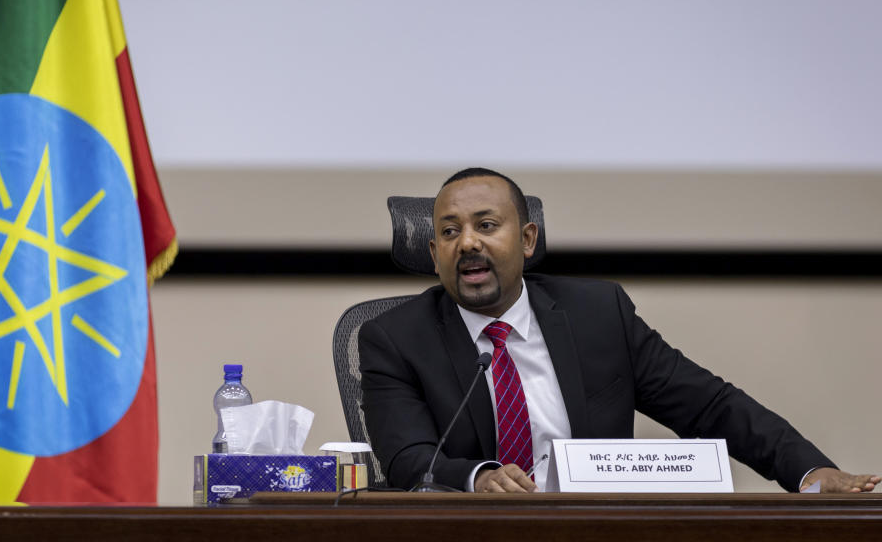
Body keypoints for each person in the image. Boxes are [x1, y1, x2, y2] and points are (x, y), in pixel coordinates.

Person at [358, 167, 879, 494]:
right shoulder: (396, 338)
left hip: (596, 531)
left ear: (528, 239)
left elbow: (710, 406)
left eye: (486, 226)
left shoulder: (596, 313)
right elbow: (408, 459)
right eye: (449, 232)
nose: (467, 243)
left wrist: (811, 473)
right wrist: (479, 476)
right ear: (433, 255)